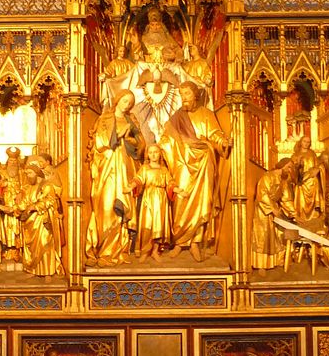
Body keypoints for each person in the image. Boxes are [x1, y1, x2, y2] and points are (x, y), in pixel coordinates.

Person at [159, 81, 232, 261]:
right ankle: (179, 242)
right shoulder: (176, 117)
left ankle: (195, 243)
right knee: (181, 199)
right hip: (182, 162)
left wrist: (223, 142)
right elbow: (166, 137)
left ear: (195, 95)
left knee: (201, 202)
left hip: (203, 162)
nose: (184, 97)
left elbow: (215, 134)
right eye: (182, 94)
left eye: (187, 94)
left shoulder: (206, 114)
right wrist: (166, 146)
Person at [85, 89, 145, 264]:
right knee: (106, 207)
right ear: (117, 100)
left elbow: (140, 145)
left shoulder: (131, 120)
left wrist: (130, 139)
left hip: (126, 168)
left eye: (130, 103)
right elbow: (101, 143)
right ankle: (102, 250)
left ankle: (118, 250)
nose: (127, 105)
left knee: (122, 207)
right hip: (108, 167)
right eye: (124, 101)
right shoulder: (104, 119)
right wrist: (119, 134)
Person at [130, 143, 175, 260]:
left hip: (161, 199)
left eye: (155, 152)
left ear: (160, 153)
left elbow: (170, 183)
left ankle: (155, 250)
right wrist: (131, 186)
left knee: (159, 225)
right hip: (148, 199)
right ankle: (145, 251)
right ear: (147, 155)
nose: (153, 155)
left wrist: (177, 190)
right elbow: (138, 179)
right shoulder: (145, 168)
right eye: (150, 152)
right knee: (147, 225)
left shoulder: (164, 170)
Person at [19, 167, 64, 277]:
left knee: (45, 244)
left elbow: (50, 200)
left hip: (42, 220)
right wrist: (15, 208)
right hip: (30, 222)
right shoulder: (28, 188)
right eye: (26, 173)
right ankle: (33, 270)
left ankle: (48, 272)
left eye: (30, 173)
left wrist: (34, 206)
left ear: (37, 173)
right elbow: (24, 203)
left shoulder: (47, 185)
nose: (28, 176)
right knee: (32, 248)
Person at [251, 161, 294, 272]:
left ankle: (276, 260)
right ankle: (261, 265)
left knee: (277, 235)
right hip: (263, 210)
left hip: (275, 209)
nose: (290, 170)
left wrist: (294, 213)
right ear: (282, 165)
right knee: (263, 237)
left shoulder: (283, 181)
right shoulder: (267, 177)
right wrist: (272, 208)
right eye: (289, 167)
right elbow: (262, 194)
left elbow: (286, 199)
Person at [289, 135, 326, 223]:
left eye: (308, 142)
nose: (306, 143)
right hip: (301, 182)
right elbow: (292, 169)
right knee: (300, 199)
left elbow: (318, 165)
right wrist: (298, 166)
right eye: (304, 141)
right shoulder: (295, 155)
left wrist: (318, 169)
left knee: (315, 187)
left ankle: (314, 216)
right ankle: (301, 218)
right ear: (301, 142)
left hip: (312, 181)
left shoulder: (312, 153)